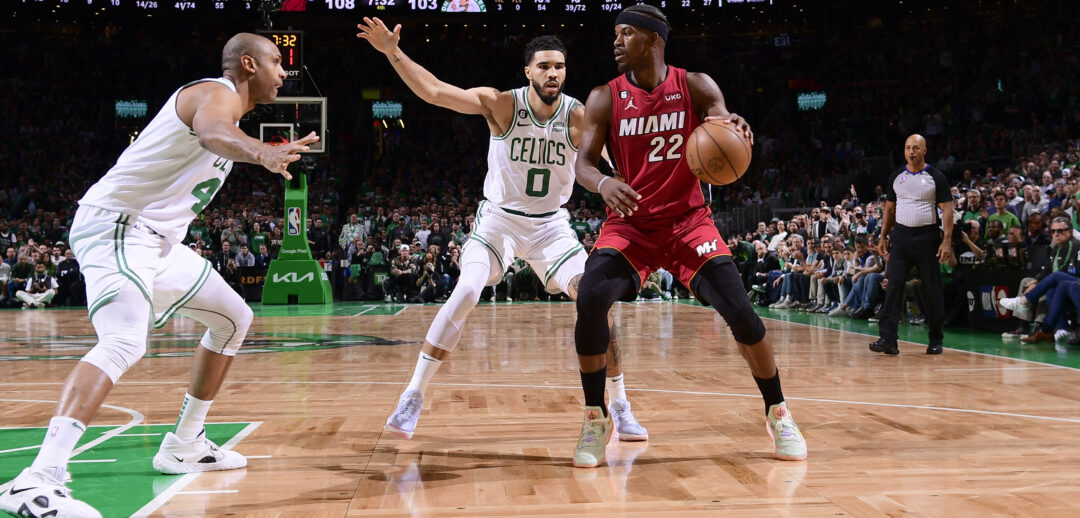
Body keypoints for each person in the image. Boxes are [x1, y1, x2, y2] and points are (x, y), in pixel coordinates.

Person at [0, 33, 317, 518]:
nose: (284, 71)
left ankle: (185, 444)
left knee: (234, 318)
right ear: (249, 64)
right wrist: (263, 153)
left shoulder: (231, 107)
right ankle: (37, 479)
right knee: (125, 341)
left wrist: (256, 149)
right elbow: (213, 132)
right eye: (277, 62)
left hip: (157, 241)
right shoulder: (217, 94)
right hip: (120, 225)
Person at [357, 19, 648, 442]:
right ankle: (413, 394)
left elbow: (622, 162)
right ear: (527, 71)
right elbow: (435, 91)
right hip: (500, 221)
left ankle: (620, 404)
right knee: (468, 289)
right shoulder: (502, 105)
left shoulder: (579, 117)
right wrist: (391, 52)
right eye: (545, 66)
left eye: (560, 67)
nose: (554, 74)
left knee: (596, 298)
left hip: (552, 227)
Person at [569, 4, 805, 468]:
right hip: (632, 222)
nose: (616, 42)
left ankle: (778, 410)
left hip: (687, 222)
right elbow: (583, 163)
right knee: (591, 298)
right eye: (615, 34)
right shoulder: (604, 96)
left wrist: (735, 127)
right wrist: (602, 182)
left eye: (626, 33)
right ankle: (596, 417)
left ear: (653, 39)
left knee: (741, 312)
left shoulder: (694, 84)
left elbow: (723, 120)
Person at [869, 135, 953, 355]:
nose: (911, 151)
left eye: (916, 147)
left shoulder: (936, 176)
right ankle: (888, 339)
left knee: (932, 289)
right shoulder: (896, 176)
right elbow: (889, 208)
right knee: (893, 286)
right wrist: (882, 236)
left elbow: (947, 209)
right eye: (907, 148)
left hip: (928, 237)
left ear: (925, 150)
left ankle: (936, 339)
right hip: (901, 238)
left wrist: (946, 241)